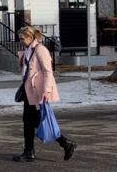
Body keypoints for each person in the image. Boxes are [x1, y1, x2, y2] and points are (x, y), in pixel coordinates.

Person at [13, 26, 77, 162]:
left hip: (38, 92)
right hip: (29, 91)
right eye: (19, 38)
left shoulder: (40, 50)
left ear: (31, 37)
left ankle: (63, 144)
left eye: (22, 38)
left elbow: (48, 72)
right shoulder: (27, 50)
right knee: (31, 121)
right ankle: (61, 144)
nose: (20, 41)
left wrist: (47, 91)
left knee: (35, 121)